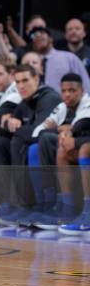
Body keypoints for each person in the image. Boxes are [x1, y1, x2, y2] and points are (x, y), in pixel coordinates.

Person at [0, 63, 61, 225]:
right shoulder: (25, 102)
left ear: (36, 79)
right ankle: (12, 203)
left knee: (27, 145)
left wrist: (17, 126)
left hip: (54, 145)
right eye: (18, 82)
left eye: (25, 80)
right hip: (39, 144)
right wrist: (8, 121)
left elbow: (39, 132)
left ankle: (38, 206)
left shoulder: (49, 98)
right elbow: (3, 131)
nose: (21, 86)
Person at [29, 73, 90, 231]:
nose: (67, 94)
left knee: (82, 148)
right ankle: (65, 208)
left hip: (84, 146)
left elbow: (82, 124)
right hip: (74, 144)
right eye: (63, 91)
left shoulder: (87, 103)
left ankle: (87, 212)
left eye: (72, 90)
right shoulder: (62, 107)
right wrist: (61, 131)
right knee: (54, 148)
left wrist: (72, 136)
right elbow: (38, 131)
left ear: (82, 90)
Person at [29, 26, 90, 93]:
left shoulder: (68, 57)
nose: (38, 36)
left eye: (42, 33)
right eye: (33, 35)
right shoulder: (29, 62)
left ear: (51, 39)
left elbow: (85, 83)